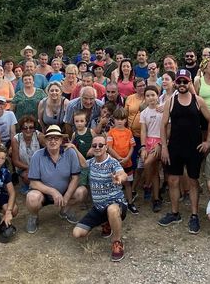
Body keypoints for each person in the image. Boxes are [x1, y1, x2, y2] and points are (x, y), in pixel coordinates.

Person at [158, 69, 210, 235]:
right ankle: (175, 213)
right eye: (179, 81)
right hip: (175, 147)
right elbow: (163, 125)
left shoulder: (198, 101)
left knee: (193, 181)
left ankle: (194, 215)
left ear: (190, 82)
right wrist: (164, 147)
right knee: (173, 180)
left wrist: (208, 141)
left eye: (185, 81)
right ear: (176, 83)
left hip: (194, 148)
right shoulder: (171, 101)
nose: (182, 84)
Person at [69, 133, 129, 262]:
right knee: (77, 233)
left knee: (112, 210)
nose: (97, 147)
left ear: (106, 147)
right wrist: (74, 148)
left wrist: (119, 178)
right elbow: (83, 163)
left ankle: (117, 242)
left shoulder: (112, 162)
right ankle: (106, 223)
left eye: (100, 145)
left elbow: (122, 174)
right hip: (99, 207)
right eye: (94, 145)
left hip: (116, 204)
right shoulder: (90, 163)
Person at [25, 125, 88, 234]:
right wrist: (52, 191)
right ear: (45, 140)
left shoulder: (70, 153)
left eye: (56, 138)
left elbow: (75, 177)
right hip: (43, 193)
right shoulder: (37, 155)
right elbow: (33, 182)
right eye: (50, 138)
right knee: (32, 198)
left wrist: (67, 196)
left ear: (61, 140)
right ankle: (34, 216)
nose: (53, 141)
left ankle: (65, 210)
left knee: (82, 192)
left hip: (64, 191)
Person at [107, 108, 139, 214]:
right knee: (115, 183)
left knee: (128, 184)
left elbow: (132, 147)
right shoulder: (111, 133)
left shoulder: (129, 132)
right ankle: (116, 204)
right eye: (117, 119)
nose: (120, 121)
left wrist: (127, 158)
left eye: (122, 119)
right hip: (115, 164)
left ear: (126, 120)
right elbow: (109, 148)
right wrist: (118, 158)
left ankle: (130, 203)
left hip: (127, 162)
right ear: (113, 120)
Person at [139, 85, 164, 212]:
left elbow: (167, 128)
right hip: (148, 141)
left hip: (161, 141)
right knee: (153, 171)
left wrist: (161, 144)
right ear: (145, 98)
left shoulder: (163, 110)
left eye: (153, 95)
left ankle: (147, 185)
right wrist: (143, 147)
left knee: (148, 163)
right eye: (148, 95)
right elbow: (143, 131)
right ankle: (156, 199)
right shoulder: (144, 113)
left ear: (157, 95)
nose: (151, 98)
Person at [11, 115, 41, 193]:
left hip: (39, 166)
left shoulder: (38, 135)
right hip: (23, 168)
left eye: (31, 127)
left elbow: (49, 148)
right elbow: (15, 161)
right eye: (25, 128)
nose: (28, 130)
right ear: (21, 129)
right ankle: (30, 185)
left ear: (34, 128)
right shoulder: (16, 139)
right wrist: (30, 168)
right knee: (28, 176)